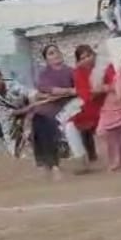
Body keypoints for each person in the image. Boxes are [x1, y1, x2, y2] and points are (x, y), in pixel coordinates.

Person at [33, 45, 80, 177]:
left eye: (57, 51)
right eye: (51, 53)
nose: (56, 54)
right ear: (46, 59)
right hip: (47, 108)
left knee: (51, 122)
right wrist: (69, 91)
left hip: (67, 107)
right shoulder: (44, 74)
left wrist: (67, 92)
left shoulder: (71, 71)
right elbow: (46, 89)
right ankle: (49, 164)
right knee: (40, 121)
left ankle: (56, 163)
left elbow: (79, 87)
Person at [0, 67, 37, 159]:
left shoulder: (12, 84)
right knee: (14, 151)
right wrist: (27, 109)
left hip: (31, 110)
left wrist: (30, 112)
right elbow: (8, 113)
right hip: (10, 118)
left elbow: (31, 94)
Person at [71, 45, 104, 165]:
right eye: (83, 58)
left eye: (89, 56)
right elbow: (84, 92)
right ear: (78, 61)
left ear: (93, 55)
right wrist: (96, 91)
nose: (87, 59)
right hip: (87, 105)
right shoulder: (78, 73)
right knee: (83, 124)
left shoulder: (102, 66)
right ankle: (90, 157)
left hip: (104, 102)